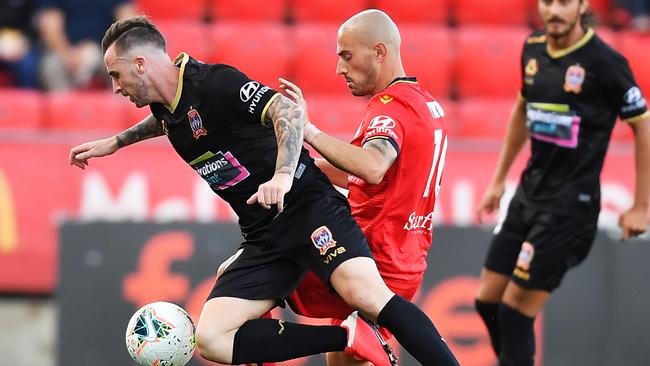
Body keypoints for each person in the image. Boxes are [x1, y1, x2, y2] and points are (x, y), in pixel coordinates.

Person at [68, 16, 459, 366]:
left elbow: (285, 111)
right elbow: (170, 122)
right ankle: (351, 336)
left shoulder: (215, 81)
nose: (116, 88)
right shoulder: (167, 107)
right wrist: (116, 142)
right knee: (212, 339)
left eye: (116, 76)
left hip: (306, 208)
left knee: (367, 295)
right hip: (263, 233)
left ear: (140, 64)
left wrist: (284, 174)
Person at [474, 1, 650, 365]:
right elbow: (523, 109)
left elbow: (642, 124)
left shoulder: (605, 63)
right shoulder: (533, 48)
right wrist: (498, 180)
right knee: (487, 301)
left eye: (564, 2)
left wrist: (641, 205)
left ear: (583, 5)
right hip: (528, 193)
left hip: (571, 206)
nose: (554, 10)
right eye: (547, 1)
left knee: (514, 312)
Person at [273, 9, 452, 366]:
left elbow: (372, 166)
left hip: (369, 259)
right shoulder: (426, 104)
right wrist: (300, 171)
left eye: (347, 56)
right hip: (405, 259)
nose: (339, 69)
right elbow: (374, 175)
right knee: (341, 359)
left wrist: (308, 131)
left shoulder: (389, 106)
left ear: (379, 52)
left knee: (248, 283)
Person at [36, 0, 135, 90]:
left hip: (106, 50)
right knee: (52, 66)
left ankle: (118, 109)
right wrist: (68, 54)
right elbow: (51, 26)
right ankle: (63, 108)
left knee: (125, 67)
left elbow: (128, 23)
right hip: (65, 50)